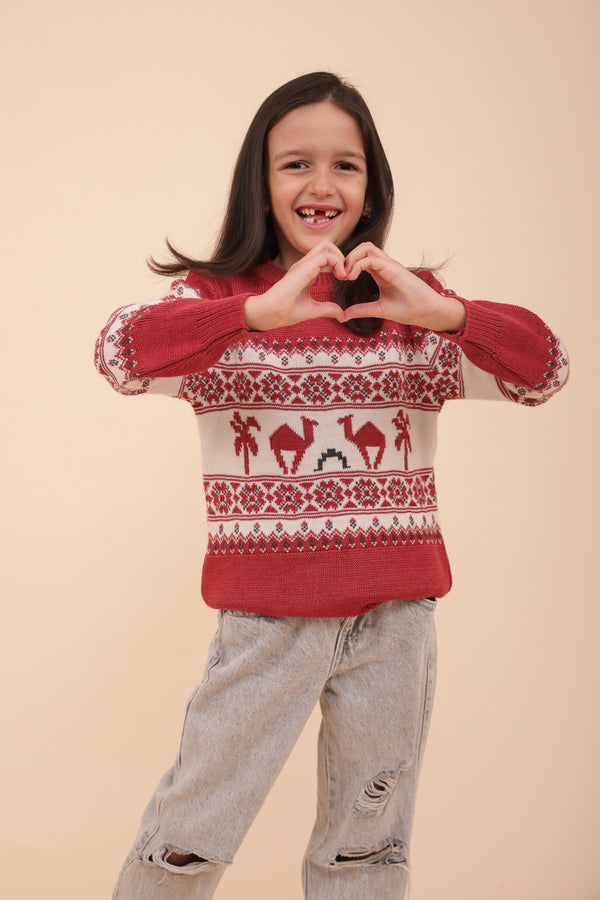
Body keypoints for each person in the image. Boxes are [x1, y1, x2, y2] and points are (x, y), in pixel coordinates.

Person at [95, 72, 569, 900]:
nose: (321, 186)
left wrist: (445, 314)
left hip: (395, 624)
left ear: (372, 185)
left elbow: (546, 369)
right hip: (266, 621)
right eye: (294, 165)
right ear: (259, 180)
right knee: (190, 836)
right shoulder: (218, 304)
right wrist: (250, 316)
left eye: (345, 165)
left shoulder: (407, 308)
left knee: (366, 849)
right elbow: (118, 355)